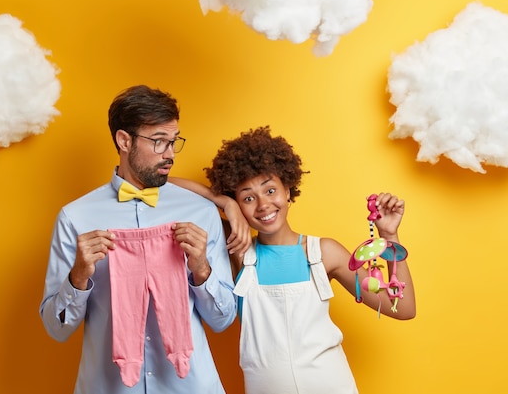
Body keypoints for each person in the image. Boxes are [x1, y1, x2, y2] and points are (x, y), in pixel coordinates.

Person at [171, 126, 416, 394]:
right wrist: (225, 203)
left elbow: (401, 308)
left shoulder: (323, 252)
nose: (263, 205)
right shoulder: (238, 251)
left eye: (270, 190)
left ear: (288, 190)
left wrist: (389, 234)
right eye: (248, 198)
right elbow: (164, 185)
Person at [39, 85, 246, 394]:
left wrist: (201, 268)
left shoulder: (200, 212)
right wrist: (78, 275)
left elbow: (223, 320)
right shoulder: (76, 218)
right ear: (124, 140)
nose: (170, 154)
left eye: (174, 142)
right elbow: (57, 329)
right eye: (159, 142)